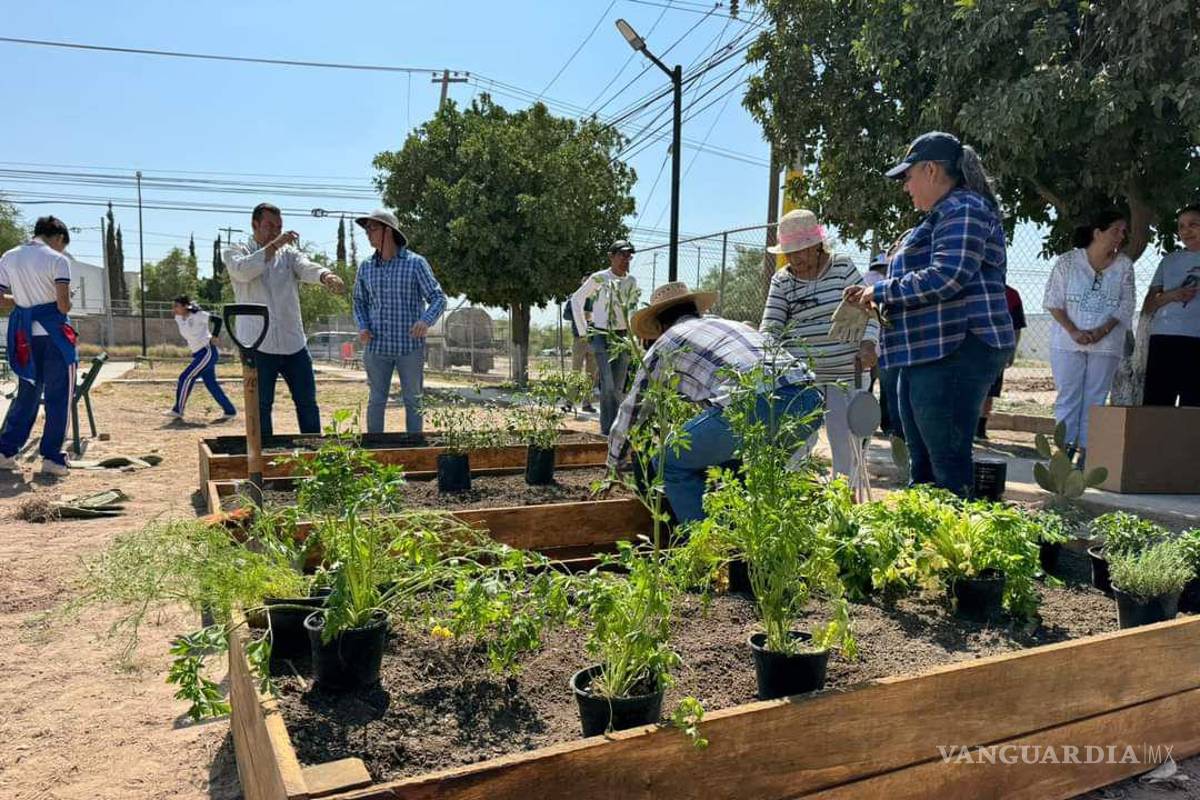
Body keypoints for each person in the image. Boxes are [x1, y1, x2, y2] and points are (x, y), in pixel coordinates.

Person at [842, 131, 1015, 497]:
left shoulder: (964, 208)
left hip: (957, 347)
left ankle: (957, 547)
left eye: (908, 176)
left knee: (947, 469)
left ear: (932, 170)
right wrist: (879, 299)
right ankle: (928, 545)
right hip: (929, 350)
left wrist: (881, 290)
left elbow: (947, 275)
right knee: (923, 466)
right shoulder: (941, 215)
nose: (906, 187)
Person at [607, 282, 822, 523]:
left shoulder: (665, 344)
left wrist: (614, 462)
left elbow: (632, 410)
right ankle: (750, 547)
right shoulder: (729, 324)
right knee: (752, 477)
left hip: (754, 403)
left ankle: (707, 548)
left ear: (659, 325)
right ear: (695, 311)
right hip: (809, 399)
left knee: (668, 463)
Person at [760, 208, 878, 478]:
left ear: (817, 246)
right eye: (789, 253)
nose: (795, 259)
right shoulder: (782, 281)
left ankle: (846, 506)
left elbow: (870, 308)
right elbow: (770, 329)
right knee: (796, 447)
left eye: (801, 250)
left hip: (846, 373)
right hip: (802, 379)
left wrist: (869, 343)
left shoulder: (842, 267)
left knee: (847, 445)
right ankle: (800, 501)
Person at [224, 203, 346, 439]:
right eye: (270, 226)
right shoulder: (237, 251)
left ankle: (314, 457)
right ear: (255, 224)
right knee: (260, 408)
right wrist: (275, 245)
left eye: (279, 227)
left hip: (294, 344)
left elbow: (306, 266)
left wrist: (325, 275)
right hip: (258, 345)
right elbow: (242, 271)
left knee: (307, 403)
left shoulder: (288, 254)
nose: (275, 231)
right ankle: (264, 461)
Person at [1043, 209, 1135, 462]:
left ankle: (1086, 456)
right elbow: (1053, 301)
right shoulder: (1068, 262)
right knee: (1068, 396)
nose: (1121, 236)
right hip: (1067, 342)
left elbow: (1126, 305)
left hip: (1106, 344)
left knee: (1095, 398)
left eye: (1124, 231)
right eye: (1115, 230)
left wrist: (1101, 330)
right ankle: (1063, 453)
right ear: (1097, 232)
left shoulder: (1124, 265)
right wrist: (1073, 330)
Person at [352, 209, 446, 434]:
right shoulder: (366, 267)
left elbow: (438, 298)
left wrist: (425, 321)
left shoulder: (415, 264)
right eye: (366, 229)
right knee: (376, 400)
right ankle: (375, 451)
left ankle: (414, 447)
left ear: (388, 231)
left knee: (413, 401)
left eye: (372, 228)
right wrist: (362, 326)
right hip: (376, 348)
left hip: (409, 348)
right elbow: (358, 301)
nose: (367, 233)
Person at [0, 216, 77, 477]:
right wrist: (65, 300)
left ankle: (6, 450)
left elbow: (0, 299)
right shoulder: (57, 260)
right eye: (62, 244)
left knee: (27, 394)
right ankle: (52, 458)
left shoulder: (9, 257)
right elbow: (63, 306)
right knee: (59, 397)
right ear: (57, 238)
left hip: (25, 336)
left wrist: (24, 301)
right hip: (54, 336)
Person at [571, 240, 639, 435]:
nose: (626, 259)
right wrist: (584, 333)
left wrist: (634, 336)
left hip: (622, 337)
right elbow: (577, 299)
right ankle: (607, 430)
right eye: (622, 255)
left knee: (618, 387)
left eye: (629, 256)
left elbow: (632, 308)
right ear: (611, 256)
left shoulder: (631, 281)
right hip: (601, 335)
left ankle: (616, 430)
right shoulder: (600, 278)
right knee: (607, 384)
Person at [1141, 203, 1200, 407]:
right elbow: (1149, 305)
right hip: (1164, 341)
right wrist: (1172, 295)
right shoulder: (1169, 261)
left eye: (1193, 224)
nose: (1186, 231)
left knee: (1193, 411)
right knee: (1156, 407)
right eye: (1181, 226)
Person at [166, 295, 236, 421]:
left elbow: (218, 320)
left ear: (185, 306)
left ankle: (178, 410)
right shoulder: (178, 318)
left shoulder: (198, 315)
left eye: (176, 306)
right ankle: (230, 410)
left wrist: (214, 336)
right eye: (173, 306)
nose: (174, 309)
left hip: (207, 352)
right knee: (211, 384)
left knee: (185, 377)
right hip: (198, 354)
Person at [976, 285, 1027, 439]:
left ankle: (980, 429)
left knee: (989, 392)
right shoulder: (972, 288)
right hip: (971, 350)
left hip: (996, 350)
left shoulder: (1011, 295)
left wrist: (1011, 351)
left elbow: (1016, 327)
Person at [563, 299, 596, 413]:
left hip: (594, 339)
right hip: (579, 339)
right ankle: (569, 402)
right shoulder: (575, 298)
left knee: (591, 374)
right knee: (575, 372)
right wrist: (581, 314)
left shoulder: (598, 298)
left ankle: (587, 403)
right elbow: (566, 315)